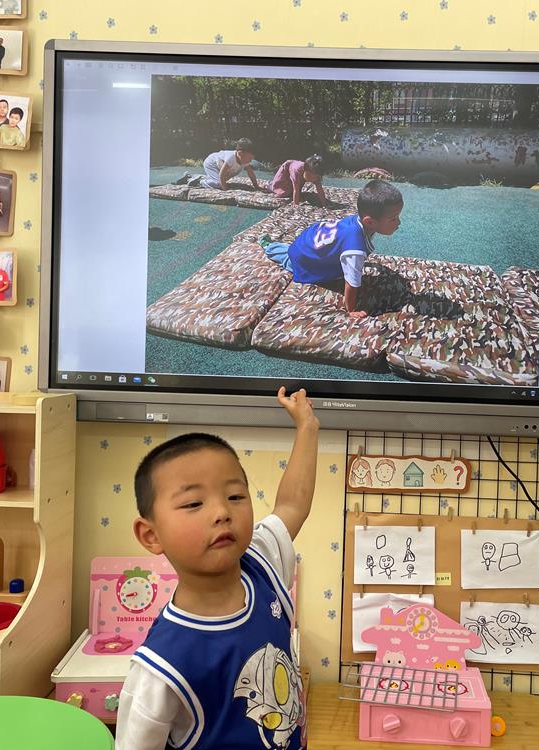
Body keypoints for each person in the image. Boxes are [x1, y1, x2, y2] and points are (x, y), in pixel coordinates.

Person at [115, 388, 318, 750]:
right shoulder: (161, 666)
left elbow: (291, 504)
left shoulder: (262, 562)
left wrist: (307, 427)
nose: (222, 512)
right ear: (151, 535)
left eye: (235, 496)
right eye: (194, 503)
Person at [262, 180, 403, 320]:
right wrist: (351, 309)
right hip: (303, 256)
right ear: (369, 221)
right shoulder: (355, 249)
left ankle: (275, 247)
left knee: (289, 250)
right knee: (287, 257)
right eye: (393, 219)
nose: (398, 222)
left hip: (311, 238)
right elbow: (352, 282)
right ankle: (267, 246)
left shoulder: (358, 221)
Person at [176, 138, 261, 191]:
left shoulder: (244, 160)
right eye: (249, 158)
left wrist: (256, 186)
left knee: (223, 179)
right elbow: (222, 174)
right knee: (218, 184)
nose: (250, 160)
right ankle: (197, 181)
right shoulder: (231, 158)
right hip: (211, 163)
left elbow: (251, 173)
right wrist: (225, 189)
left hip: (220, 167)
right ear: (240, 153)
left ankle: (196, 177)